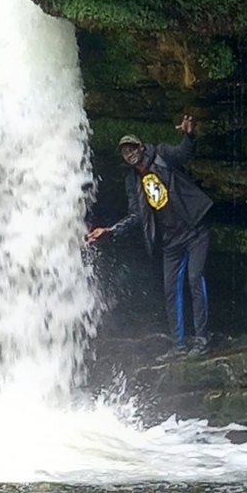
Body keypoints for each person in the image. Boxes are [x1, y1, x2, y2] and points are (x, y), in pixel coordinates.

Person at [87, 117, 213, 356]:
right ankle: (179, 345)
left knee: (195, 280)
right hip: (170, 240)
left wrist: (189, 135)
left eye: (132, 148)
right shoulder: (132, 181)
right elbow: (136, 215)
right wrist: (111, 231)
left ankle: (202, 340)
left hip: (194, 229)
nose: (130, 153)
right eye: (125, 152)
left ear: (141, 147)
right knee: (170, 290)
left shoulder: (163, 155)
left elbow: (184, 153)